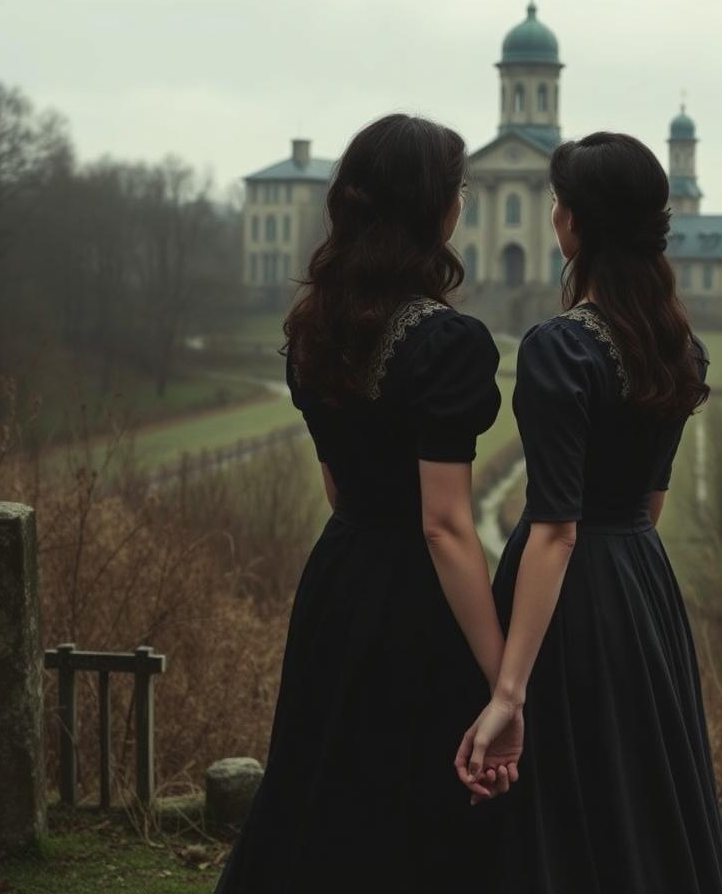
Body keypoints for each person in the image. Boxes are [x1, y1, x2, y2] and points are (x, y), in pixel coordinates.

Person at [215, 113, 508, 893]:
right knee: (414, 815)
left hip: (338, 583)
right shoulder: (450, 343)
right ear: (433, 208)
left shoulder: (315, 328)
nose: (462, 204)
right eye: (458, 190)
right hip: (417, 602)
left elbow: (338, 486)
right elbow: (446, 524)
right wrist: (503, 675)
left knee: (322, 797)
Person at [455, 132, 722, 893]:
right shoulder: (681, 345)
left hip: (567, 603)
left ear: (575, 224)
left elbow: (555, 527)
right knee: (641, 799)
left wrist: (509, 692)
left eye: (558, 202)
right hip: (643, 588)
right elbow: (649, 499)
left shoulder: (560, 347)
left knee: (559, 813)